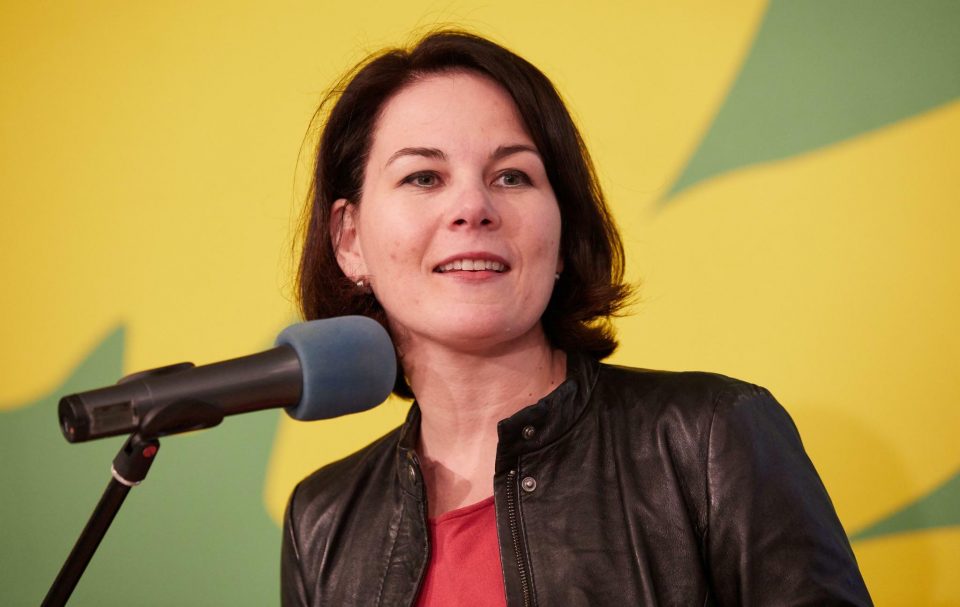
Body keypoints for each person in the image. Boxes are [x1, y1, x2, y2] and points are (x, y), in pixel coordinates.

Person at [282, 30, 872, 606]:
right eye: (423, 178)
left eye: (512, 176)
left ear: (563, 233)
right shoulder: (322, 523)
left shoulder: (709, 439)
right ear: (349, 239)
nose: (473, 207)